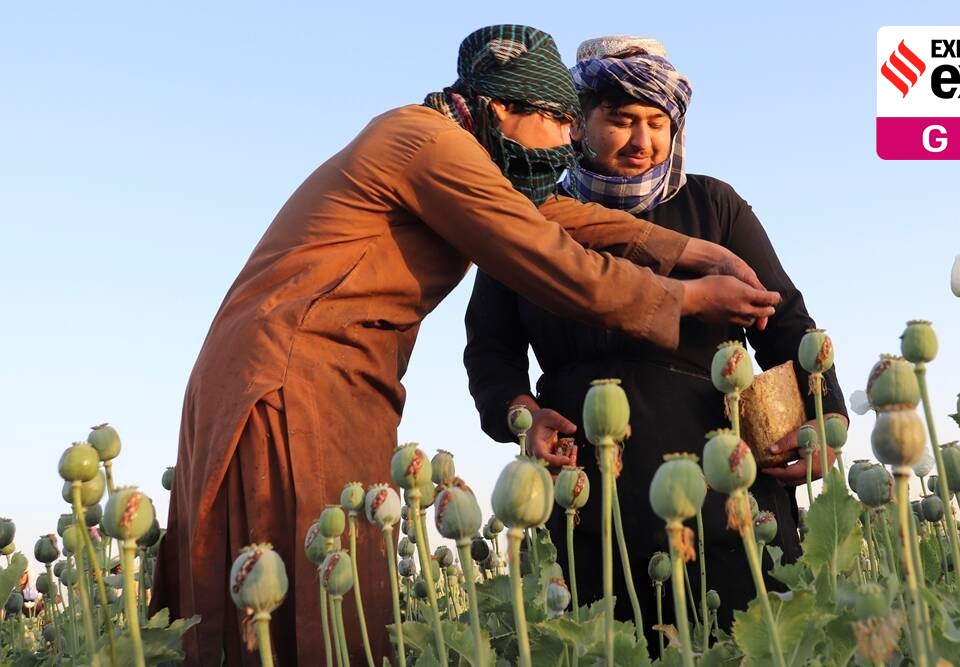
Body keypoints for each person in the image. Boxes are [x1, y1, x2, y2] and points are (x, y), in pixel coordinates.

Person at [151, 25, 780, 666]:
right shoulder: (426, 143)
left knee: (336, 600)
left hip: (325, 376)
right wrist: (690, 298)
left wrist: (692, 250)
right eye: (562, 120)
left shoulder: (456, 149)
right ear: (505, 110)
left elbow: (551, 216)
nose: (568, 142)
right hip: (293, 375)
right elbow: (547, 254)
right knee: (314, 613)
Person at [463, 36, 846, 644]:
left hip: (727, 486)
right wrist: (521, 414)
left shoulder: (712, 207)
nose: (642, 142)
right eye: (620, 120)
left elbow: (786, 322)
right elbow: (490, 348)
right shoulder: (530, 217)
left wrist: (826, 419)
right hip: (590, 492)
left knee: (748, 645)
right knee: (613, 645)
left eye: (657, 122)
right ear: (576, 124)